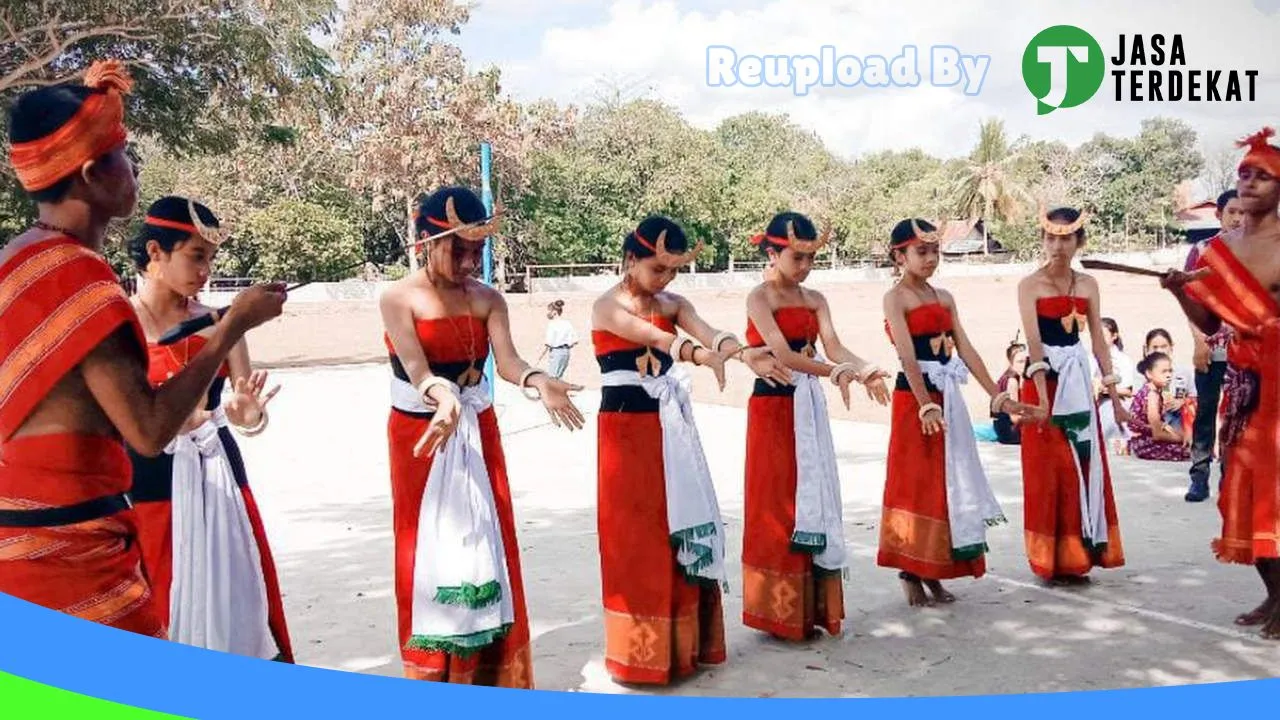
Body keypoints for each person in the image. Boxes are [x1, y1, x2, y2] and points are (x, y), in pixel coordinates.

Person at [0, 60, 285, 638]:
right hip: (72, 547)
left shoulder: (14, 263)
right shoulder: (80, 282)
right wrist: (230, 328)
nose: (132, 167)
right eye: (123, 154)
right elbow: (149, 429)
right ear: (90, 174)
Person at [380, 186, 585, 686]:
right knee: (424, 547)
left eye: (478, 251)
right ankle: (434, 679)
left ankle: (491, 676)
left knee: (489, 541)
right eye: (460, 249)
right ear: (427, 241)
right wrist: (442, 396)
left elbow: (510, 362)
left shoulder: (489, 299)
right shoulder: (397, 297)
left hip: (476, 428)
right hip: (423, 433)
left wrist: (540, 381)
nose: (471, 261)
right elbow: (415, 368)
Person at [591, 214, 790, 685]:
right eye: (658, 269)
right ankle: (640, 656)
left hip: (671, 429)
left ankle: (686, 648)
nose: (665, 280)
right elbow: (660, 339)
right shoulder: (606, 306)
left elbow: (706, 330)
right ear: (630, 259)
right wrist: (704, 356)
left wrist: (741, 353)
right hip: (625, 434)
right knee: (635, 538)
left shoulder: (674, 301)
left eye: (673, 271)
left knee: (679, 525)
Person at [125, 197, 293, 661]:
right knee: (156, 596)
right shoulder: (119, 325)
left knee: (235, 589)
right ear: (155, 252)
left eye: (211, 259)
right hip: (147, 485)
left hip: (218, 476)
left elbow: (247, 412)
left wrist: (247, 414)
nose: (205, 270)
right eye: (195, 256)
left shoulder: (221, 323)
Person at [740, 212, 891, 640]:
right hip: (774, 406)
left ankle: (811, 608)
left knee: (816, 493)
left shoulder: (816, 298)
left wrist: (866, 369)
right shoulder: (759, 297)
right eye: (796, 257)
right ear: (772, 253)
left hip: (808, 403)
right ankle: (777, 612)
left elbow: (835, 346)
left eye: (811, 258)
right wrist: (838, 373)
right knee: (778, 502)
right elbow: (785, 356)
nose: (804, 267)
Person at [1162, 126, 1280, 638]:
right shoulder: (1215, 252)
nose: (1250, 183)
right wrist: (1177, 294)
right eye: (1244, 174)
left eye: (1264, 176)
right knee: (1241, 486)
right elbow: (1210, 325)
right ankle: (1275, 595)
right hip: (1246, 383)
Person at [879, 219, 1034, 605]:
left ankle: (937, 569)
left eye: (935, 251)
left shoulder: (944, 297)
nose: (931, 259)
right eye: (921, 252)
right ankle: (910, 570)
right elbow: (907, 357)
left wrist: (999, 396)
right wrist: (925, 404)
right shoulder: (895, 298)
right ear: (900, 256)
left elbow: (966, 350)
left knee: (950, 481)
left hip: (948, 397)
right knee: (919, 482)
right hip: (916, 402)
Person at [1017, 205, 1127, 585]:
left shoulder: (1088, 285)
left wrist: (1113, 396)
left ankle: (1080, 554)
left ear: (1079, 241)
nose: (1057, 246)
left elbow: (1097, 339)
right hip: (1042, 381)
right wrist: (1043, 399)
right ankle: (1051, 559)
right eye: (1051, 238)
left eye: (1066, 238)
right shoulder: (1029, 285)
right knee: (1050, 470)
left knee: (1083, 463)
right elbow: (1033, 343)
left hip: (1078, 383)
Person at [1183, 189, 1245, 503]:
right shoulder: (1202, 251)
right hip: (1210, 345)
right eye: (1232, 211)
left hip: (1245, 350)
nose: (1238, 217)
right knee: (1205, 411)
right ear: (1219, 215)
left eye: (1243, 211)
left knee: (1237, 416)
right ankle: (1199, 477)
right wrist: (1198, 343)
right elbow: (1191, 300)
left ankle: (1229, 478)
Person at [1127, 352, 1192, 462]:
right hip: (1145, 444)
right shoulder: (1152, 395)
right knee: (1190, 452)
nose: (1168, 375)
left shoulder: (1155, 391)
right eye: (1163, 372)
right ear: (1149, 374)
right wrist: (1182, 438)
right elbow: (1157, 434)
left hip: (1145, 440)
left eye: (1170, 371)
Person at [1092, 318, 1135, 456]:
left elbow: (1128, 391)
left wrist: (1106, 390)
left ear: (1114, 336)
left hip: (1114, 402)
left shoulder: (1123, 360)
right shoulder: (1090, 357)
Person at [1141, 328, 1197, 433]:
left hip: (1179, 428)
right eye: (1155, 347)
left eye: (1164, 346)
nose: (1160, 351)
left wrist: (1183, 402)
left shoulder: (1184, 372)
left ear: (1171, 347)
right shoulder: (1141, 374)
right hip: (1150, 430)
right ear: (1147, 349)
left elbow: (1196, 397)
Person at [993, 334, 1028, 445]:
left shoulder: (1017, 378)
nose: (1024, 365)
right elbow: (1014, 417)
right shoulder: (1012, 382)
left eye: (1026, 361)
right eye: (1020, 362)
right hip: (1009, 431)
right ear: (1011, 364)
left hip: (1006, 426)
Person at [536, 299, 577, 378]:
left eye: (549, 311)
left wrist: (542, 354)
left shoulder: (552, 324)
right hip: (566, 352)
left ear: (554, 312)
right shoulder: (567, 323)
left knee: (552, 378)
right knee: (559, 377)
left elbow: (549, 343)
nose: (548, 313)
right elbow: (574, 340)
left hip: (556, 351)